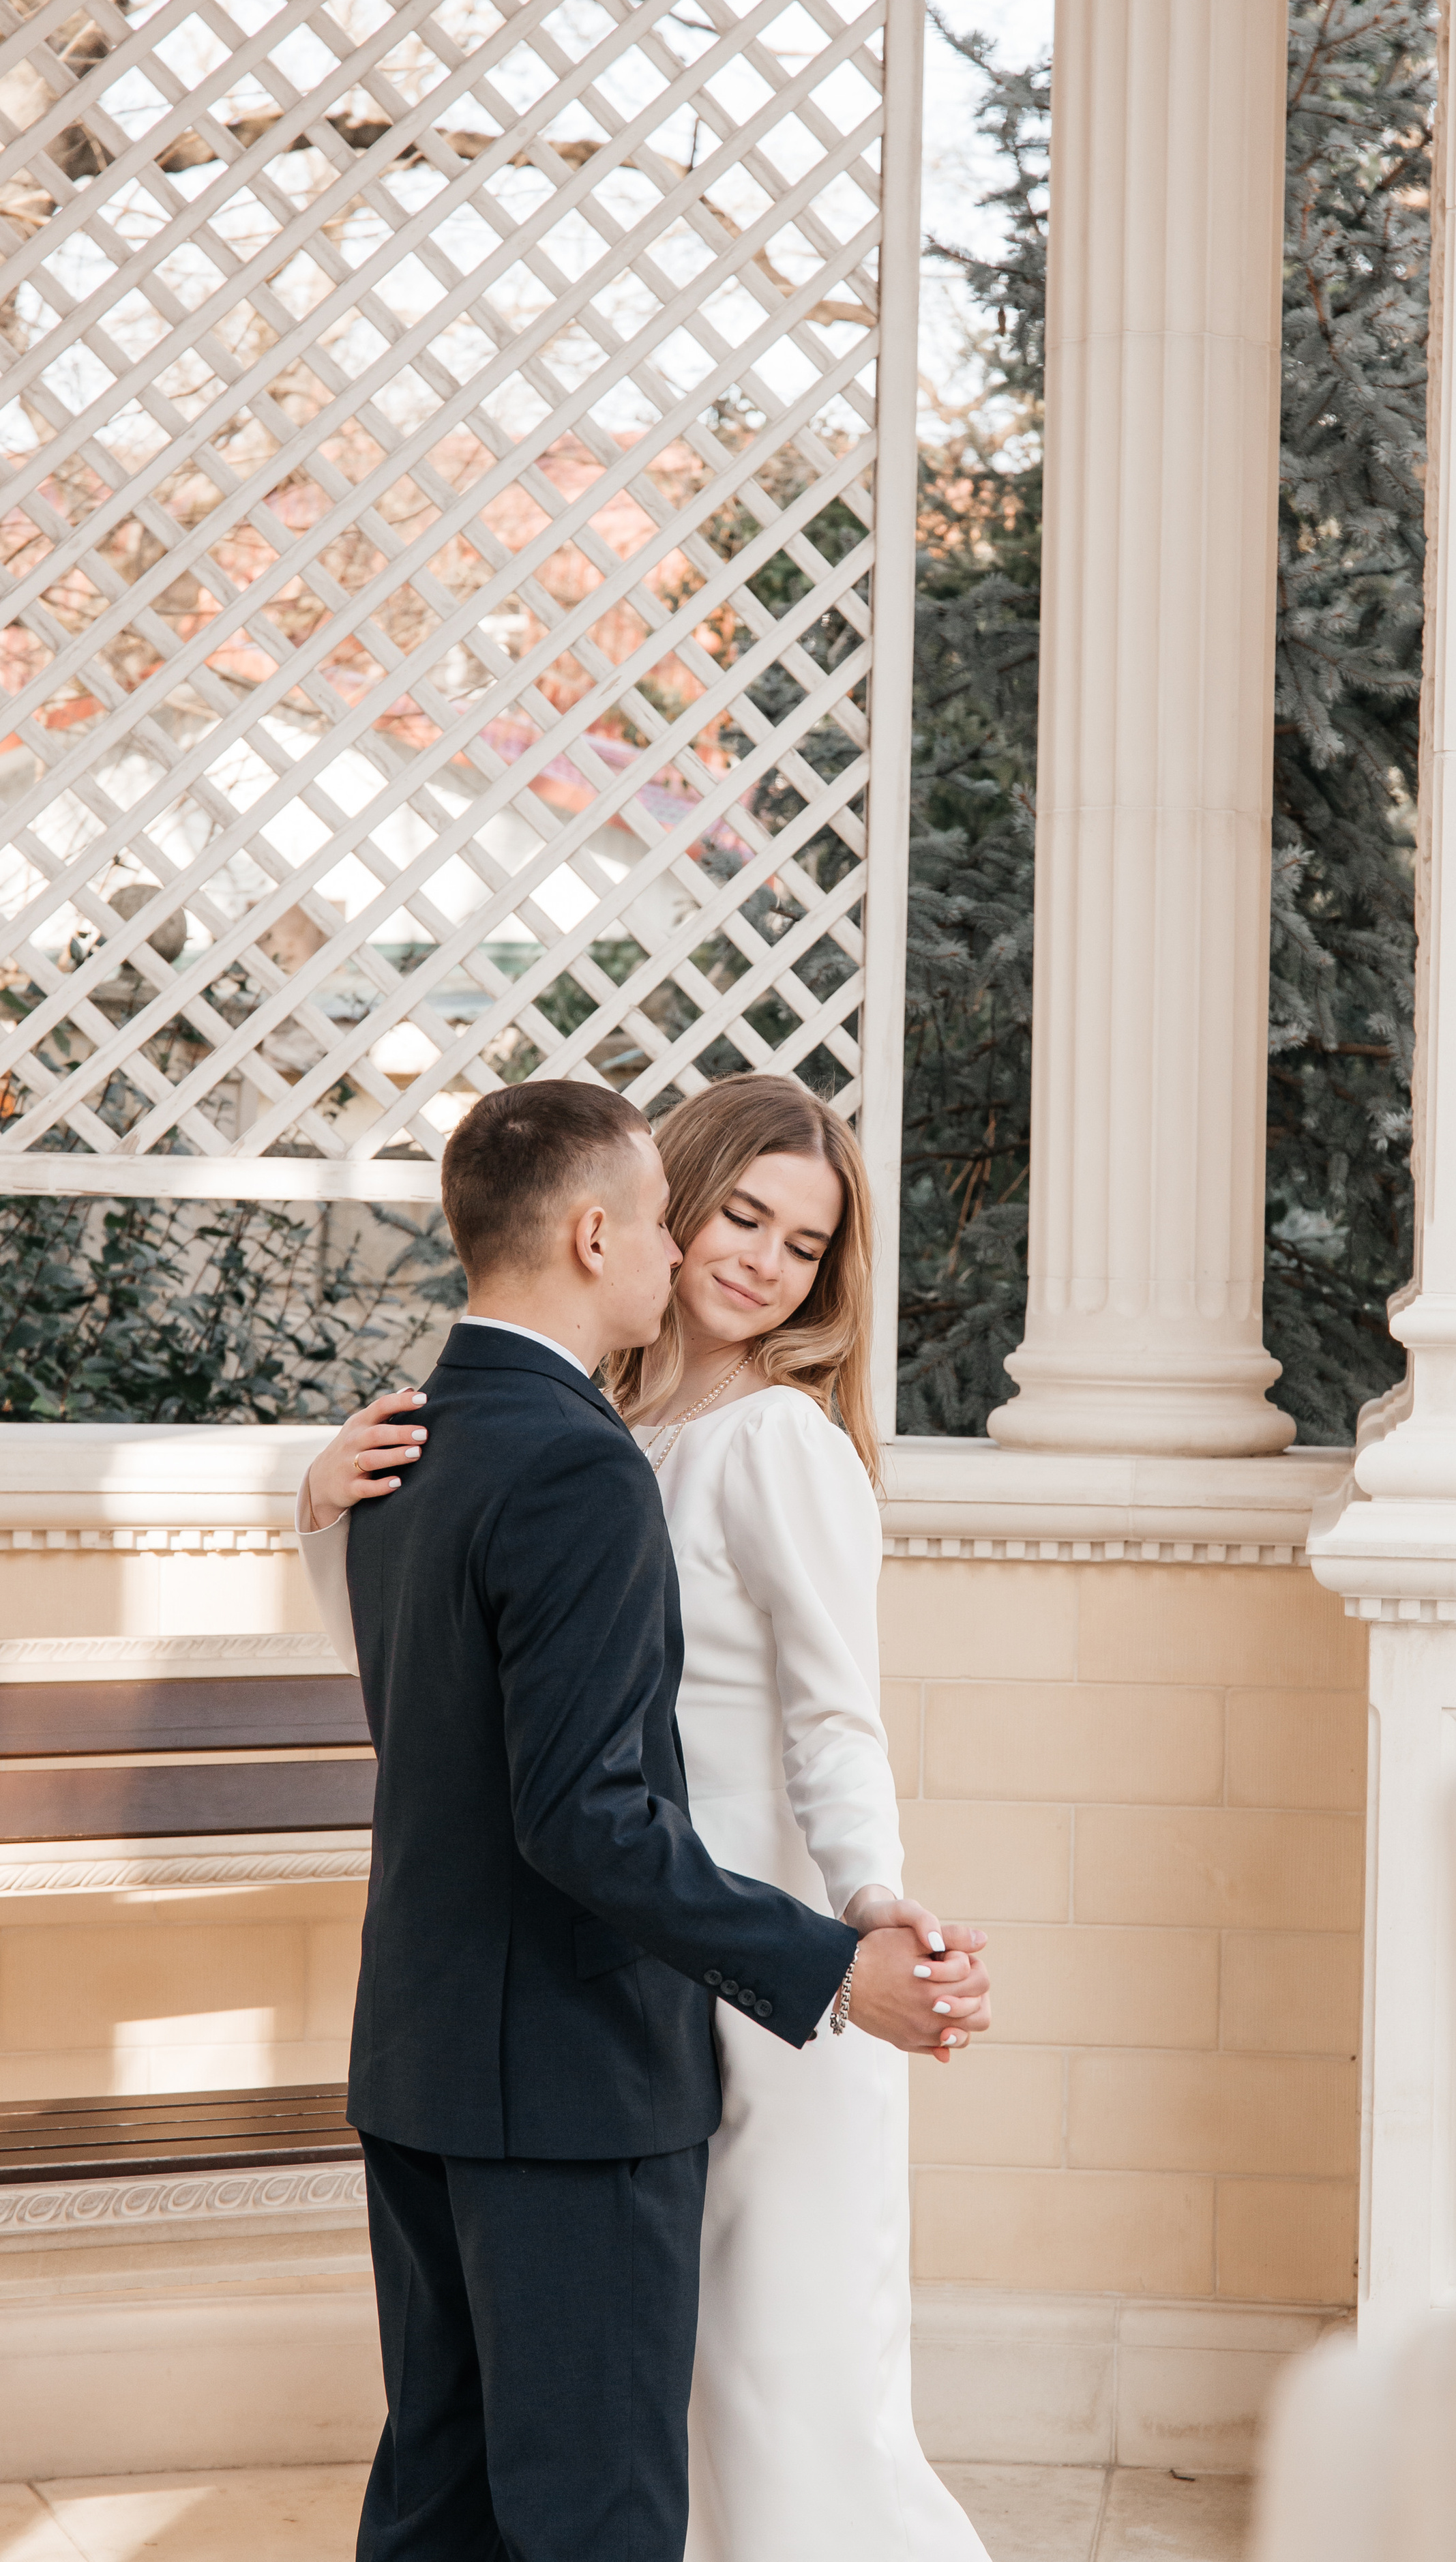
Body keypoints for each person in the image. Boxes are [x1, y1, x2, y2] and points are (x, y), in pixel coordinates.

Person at [295, 1080, 992, 2562]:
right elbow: (446, 1699)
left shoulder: (768, 1438)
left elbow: (833, 1716)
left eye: (805, 1246)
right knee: (609, 2435)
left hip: (746, 1965)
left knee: (775, 2398)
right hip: (607, 1983)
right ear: (636, 1221)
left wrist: (863, 1908)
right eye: (736, 1215)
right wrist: (318, 1515)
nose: (761, 1262)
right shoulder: (563, 1428)